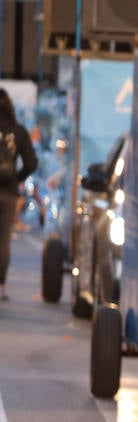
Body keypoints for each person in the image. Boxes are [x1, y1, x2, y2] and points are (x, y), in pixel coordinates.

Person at [0, 89, 38, 301]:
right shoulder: (19, 131)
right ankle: (1, 286)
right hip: (8, 190)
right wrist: (17, 177)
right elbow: (31, 163)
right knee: (4, 240)